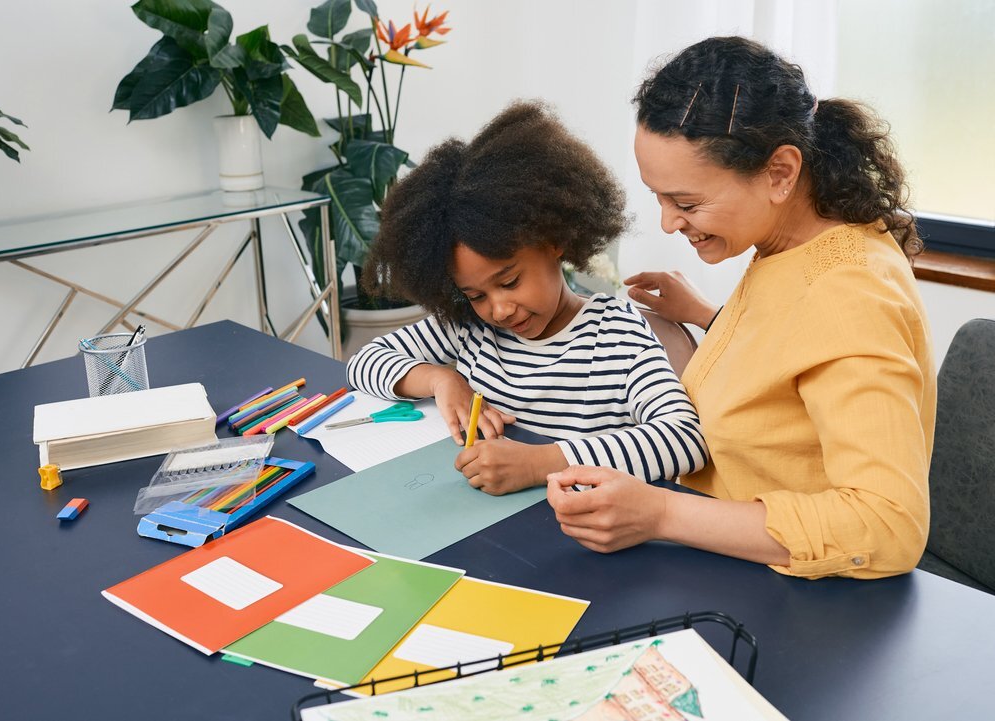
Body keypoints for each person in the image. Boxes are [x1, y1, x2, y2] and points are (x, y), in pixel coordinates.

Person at [547, 36, 936, 580]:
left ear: (779, 173)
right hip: (726, 563)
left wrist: (660, 512)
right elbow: (796, 359)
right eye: (658, 198)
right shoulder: (795, 249)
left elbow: (888, 526)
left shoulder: (850, 294)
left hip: (800, 603)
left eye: (686, 203)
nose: (668, 222)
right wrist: (712, 316)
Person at [347, 101, 707, 495]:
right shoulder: (472, 327)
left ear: (554, 241)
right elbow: (363, 362)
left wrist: (542, 462)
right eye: (475, 294)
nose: (498, 309)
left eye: (511, 281)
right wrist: (440, 379)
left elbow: (685, 440)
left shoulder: (617, 335)